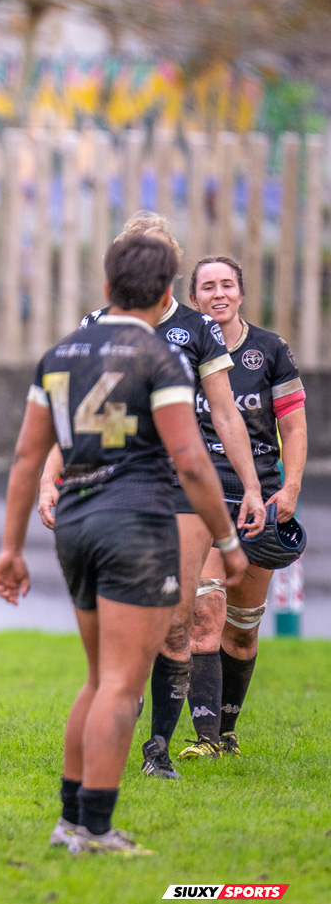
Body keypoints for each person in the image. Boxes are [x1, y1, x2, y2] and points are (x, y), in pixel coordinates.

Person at [0, 234, 249, 855]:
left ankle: (68, 821)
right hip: (136, 522)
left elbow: (29, 459)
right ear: (168, 292)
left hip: (76, 521)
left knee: (95, 679)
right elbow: (190, 460)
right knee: (120, 685)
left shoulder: (60, 354)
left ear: (107, 285)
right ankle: (98, 829)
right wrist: (226, 538)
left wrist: (10, 548)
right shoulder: (158, 355)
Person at [36, 213, 264, 779]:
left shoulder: (198, 328)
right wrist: (50, 475)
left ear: (171, 264)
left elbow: (227, 412)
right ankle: (113, 724)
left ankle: (157, 747)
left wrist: (254, 485)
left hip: (184, 482)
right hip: (113, 479)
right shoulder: (97, 323)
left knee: (177, 615)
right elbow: (74, 411)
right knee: (126, 626)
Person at [178, 255, 306, 758]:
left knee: (242, 634)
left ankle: (226, 732)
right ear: (194, 298)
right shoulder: (182, 349)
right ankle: (204, 740)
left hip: (260, 498)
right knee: (205, 615)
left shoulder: (271, 350)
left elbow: (293, 427)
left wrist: (289, 490)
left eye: (227, 284)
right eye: (207, 286)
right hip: (199, 499)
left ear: (242, 293)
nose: (218, 294)